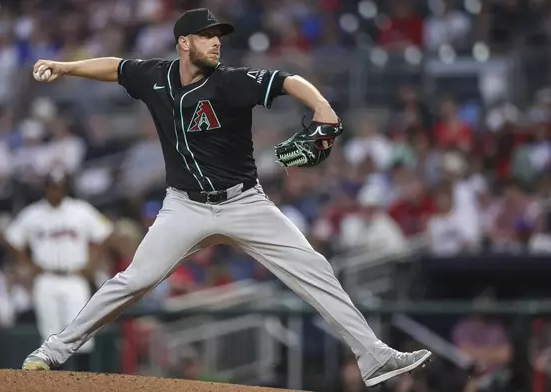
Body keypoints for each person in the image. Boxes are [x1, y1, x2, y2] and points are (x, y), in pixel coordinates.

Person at [21, 8, 432, 387]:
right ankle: (51, 351)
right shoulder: (155, 76)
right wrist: (66, 67)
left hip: (243, 204)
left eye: (218, 37)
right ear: (184, 43)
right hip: (184, 207)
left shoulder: (231, 81)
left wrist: (322, 106)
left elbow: (288, 80)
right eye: (206, 36)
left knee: (314, 269)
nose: (216, 42)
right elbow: (116, 67)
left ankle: (374, 356)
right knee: (132, 281)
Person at [4, 168, 114, 371]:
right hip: (46, 278)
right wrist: (26, 263)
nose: (56, 191)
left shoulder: (80, 210)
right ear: (46, 188)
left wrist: (92, 263)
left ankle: (84, 382)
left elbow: (104, 232)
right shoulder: (34, 213)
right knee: (50, 334)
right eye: (53, 187)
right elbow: (11, 237)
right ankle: (56, 385)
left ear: (65, 188)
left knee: (81, 332)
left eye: (60, 187)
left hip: (74, 278)